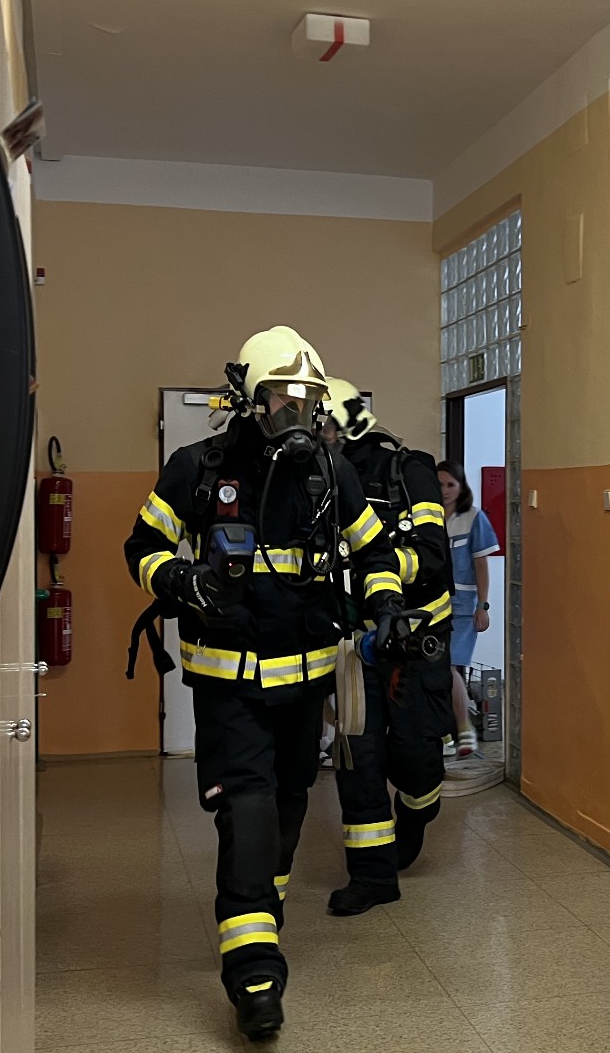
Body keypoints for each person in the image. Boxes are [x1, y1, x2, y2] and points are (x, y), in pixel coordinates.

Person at [124, 327, 407, 1041]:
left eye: (308, 398)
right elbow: (143, 547)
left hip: (306, 686)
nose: (297, 410)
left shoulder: (332, 474)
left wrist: (385, 603)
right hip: (231, 687)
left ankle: (258, 916)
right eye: (283, 396)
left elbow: (374, 550)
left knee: (286, 808)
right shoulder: (198, 467)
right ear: (250, 398)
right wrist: (183, 580)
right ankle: (255, 977)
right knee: (247, 813)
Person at [319, 377, 455, 914]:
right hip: (353, 647)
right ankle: (373, 876)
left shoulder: (408, 471)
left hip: (414, 640)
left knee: (415, 753)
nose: (314, 436)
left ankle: (418, 810)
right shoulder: (318, 478)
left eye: (322, 426)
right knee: (359, 758)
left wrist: (374, 567)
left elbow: (433, 556)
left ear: (345, 426)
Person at [438, 460, 499, 756]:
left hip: (462, 606)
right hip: (432, 605)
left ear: (462, 487)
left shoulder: (474, 518)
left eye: (451, 484)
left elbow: (481, 565)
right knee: (435, 669)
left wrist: (482, 606)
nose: (445, 490)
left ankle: (462, 731)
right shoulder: (427, 516)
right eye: (440, 484)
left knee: (448, 667)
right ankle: (445, 733)